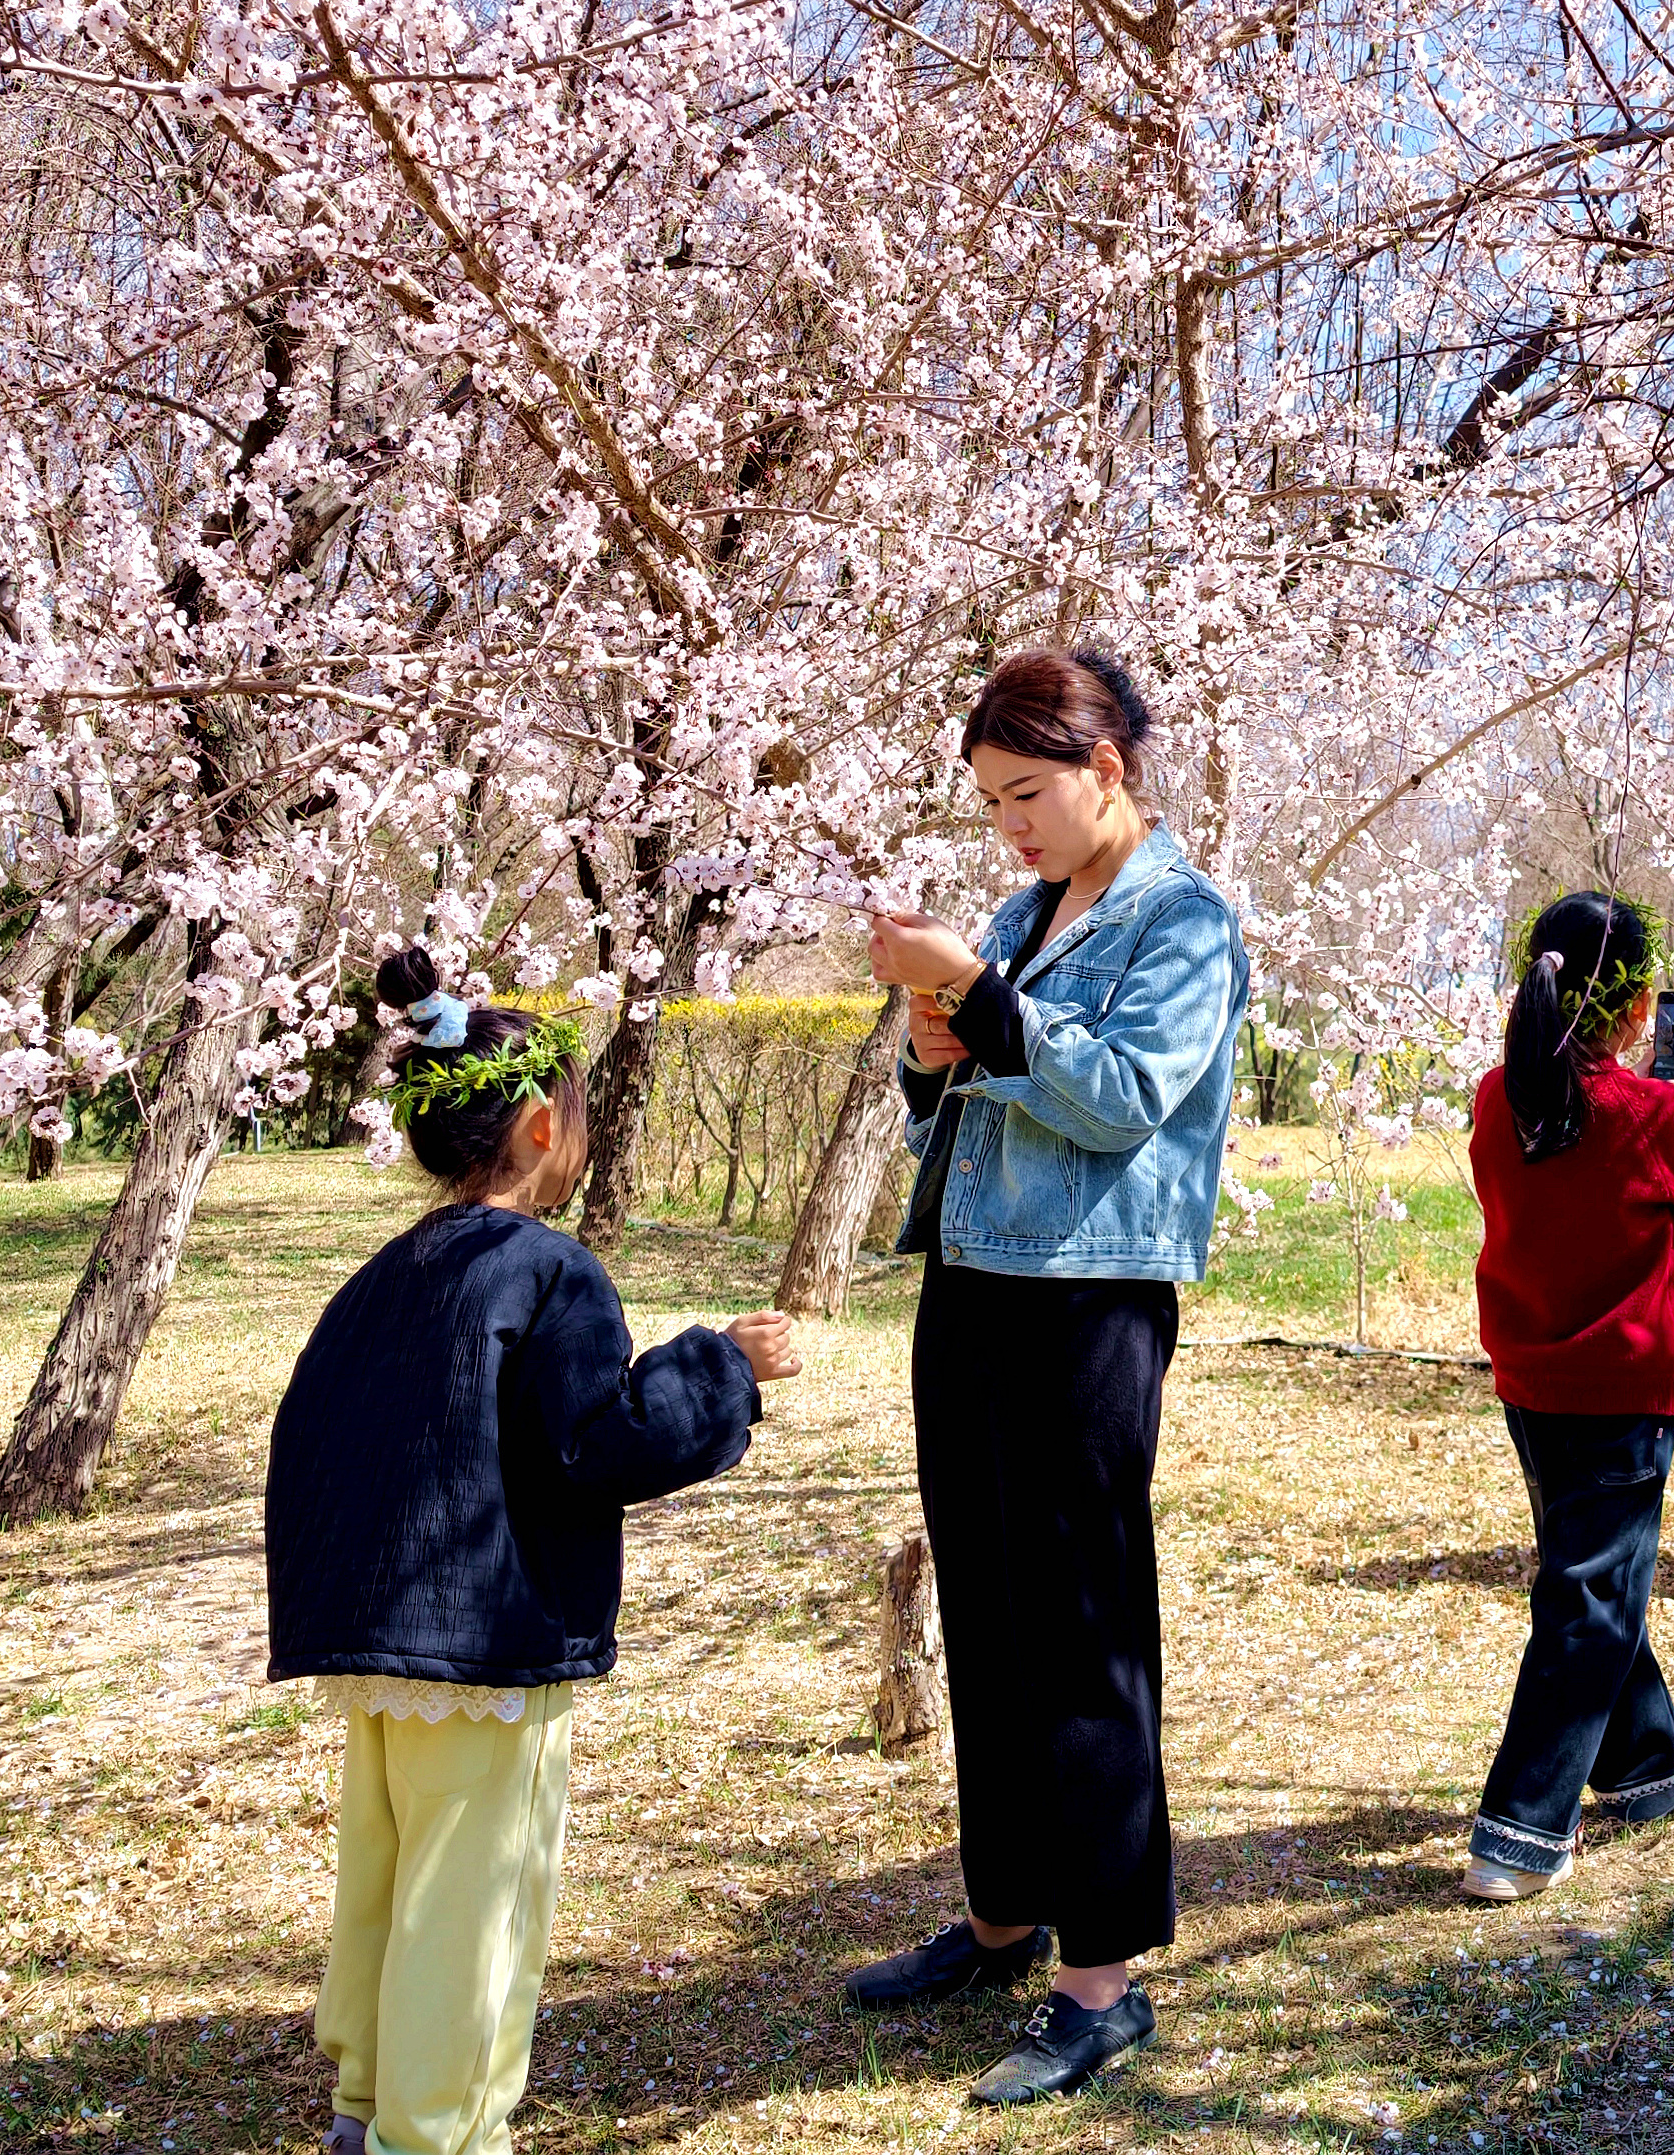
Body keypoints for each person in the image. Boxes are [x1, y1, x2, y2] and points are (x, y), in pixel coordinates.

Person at [267, 949, 804, 2155]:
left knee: (388, 1873)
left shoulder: (386, 1274)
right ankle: (436, 2133)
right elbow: (599, 1444)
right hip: (488, 1644)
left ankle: (368, 2101)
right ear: (544, 1127)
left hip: (380, 1638)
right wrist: (724, 1366)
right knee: (476, 1899)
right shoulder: (552, 1271)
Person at [846, 648, 1250, 2104]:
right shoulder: (1025, 914)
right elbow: (957, 1111)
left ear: (1107, 768)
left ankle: (1100, 1981)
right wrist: (929, 1043)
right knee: (987, 1607)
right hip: (970, 1284)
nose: (1009, 826)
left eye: (1027, 793)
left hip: (1088, 1299)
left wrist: (973, 991)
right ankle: (1002, 1914)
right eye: (990, 803)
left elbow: (1122, 1100)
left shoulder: (1184, 920)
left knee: (1081, 1627)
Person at [1459, 892, 1674, 1901]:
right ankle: (1520, 1828)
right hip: (1624, 1387)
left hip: (1531, 1374)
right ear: (1636, 1011)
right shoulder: (1652, 1112)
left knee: (1589, 1568)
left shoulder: (1498, 1097)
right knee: (1590, 1591)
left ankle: (1640, 1767)